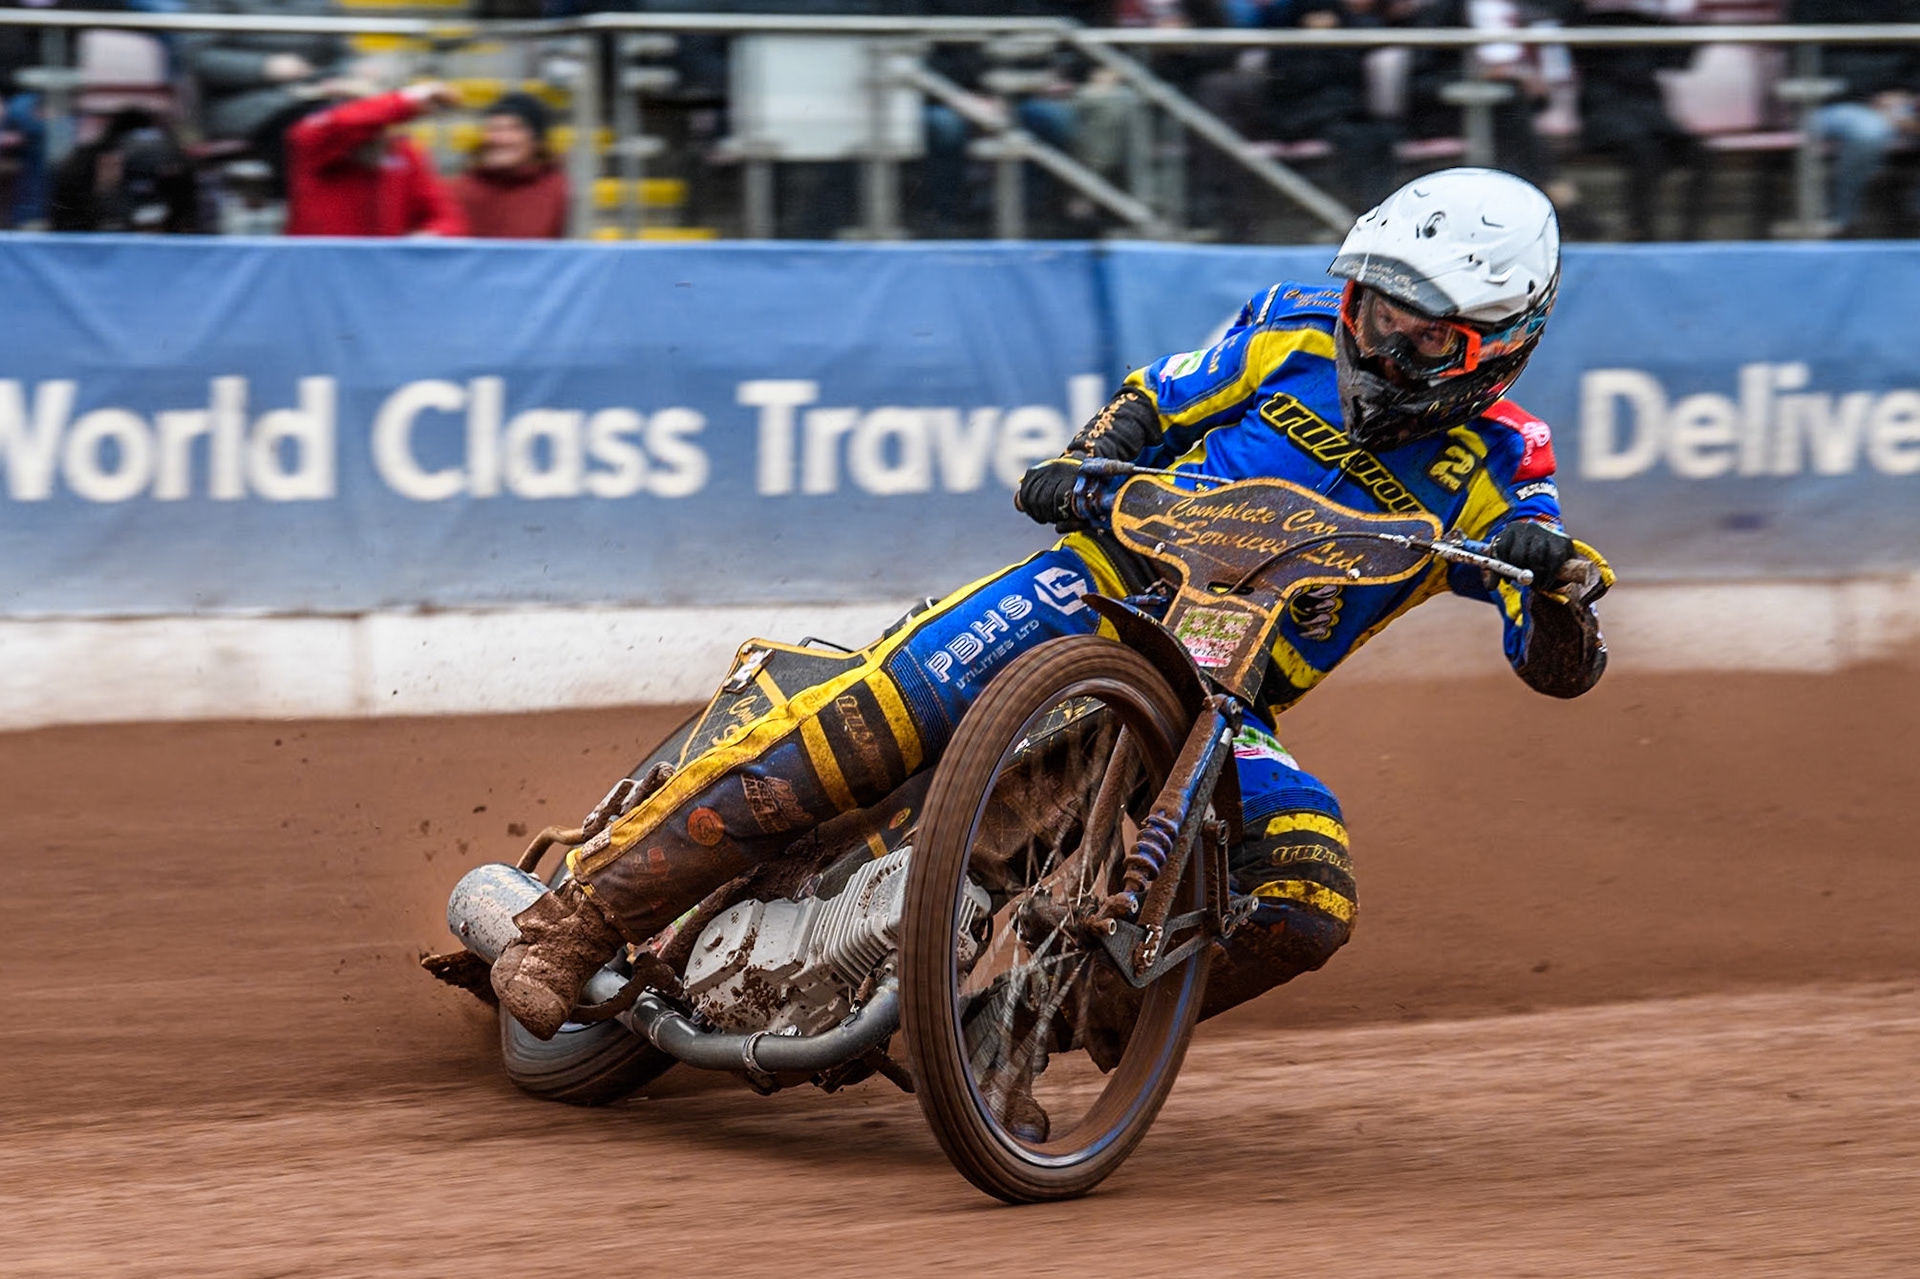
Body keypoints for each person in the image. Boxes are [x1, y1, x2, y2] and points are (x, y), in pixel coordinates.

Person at [490, 168, 1614, 1132]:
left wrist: (1554, 585)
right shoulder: (1288, 326)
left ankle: (1024, 1027)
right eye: (1373, 308)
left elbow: (1554, 656)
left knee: (1311, 889)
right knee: (867, 720)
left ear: (1496, 348)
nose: (1377, 339)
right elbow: (1152, 405)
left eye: (1421, 333)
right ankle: (574, 920)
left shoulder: (1507, 465)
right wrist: (1083, 465)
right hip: (1097, 584)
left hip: (1222, 697)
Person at [1787, 0, 1920, 235]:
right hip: (1830, 100)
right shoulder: (1812, 5)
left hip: (1900, 100)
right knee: (1869, 131)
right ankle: (1843, 221)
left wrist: (1908, 96)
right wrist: (1876, 96)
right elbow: (1811, 61)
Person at [282, 81, 467, 237]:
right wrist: (413, 97)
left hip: (381, 268)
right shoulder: (312, 140)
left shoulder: (404, 153)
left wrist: (426, 239)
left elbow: (445, 219)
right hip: (319, 265)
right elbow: (345, 123)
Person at [49, 107, 200, 232]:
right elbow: (69, 224)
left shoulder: (169, 163)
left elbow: (185, 217)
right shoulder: (88, 163)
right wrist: (105, 191)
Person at [448, 92, 568, 239]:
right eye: (494, 129)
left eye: (514, 129)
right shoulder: (461, 190)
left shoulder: (557, 189)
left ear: (536, 141)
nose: (500, 138)